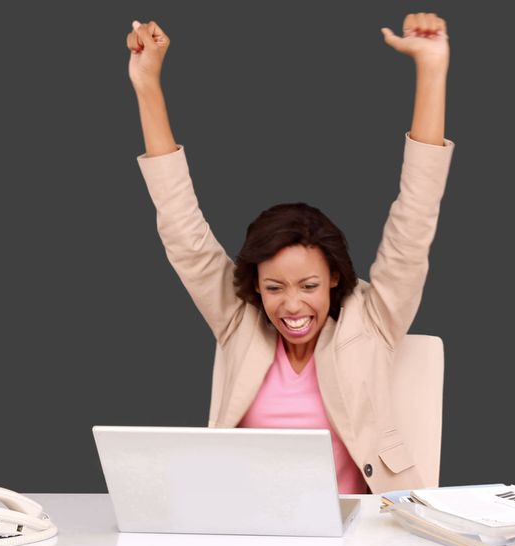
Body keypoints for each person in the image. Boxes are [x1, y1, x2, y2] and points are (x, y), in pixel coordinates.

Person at [126, 12, 454, 493]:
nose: (292, 305)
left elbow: (416, 213)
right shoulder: (239, 320)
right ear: (256, 286)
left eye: (309, 285)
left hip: (360, 535)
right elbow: (183, 230)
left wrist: (431, 69)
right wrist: (147, 83)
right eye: (274, 287)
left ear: (335, 279)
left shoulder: (375, 319)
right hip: (246, 529)